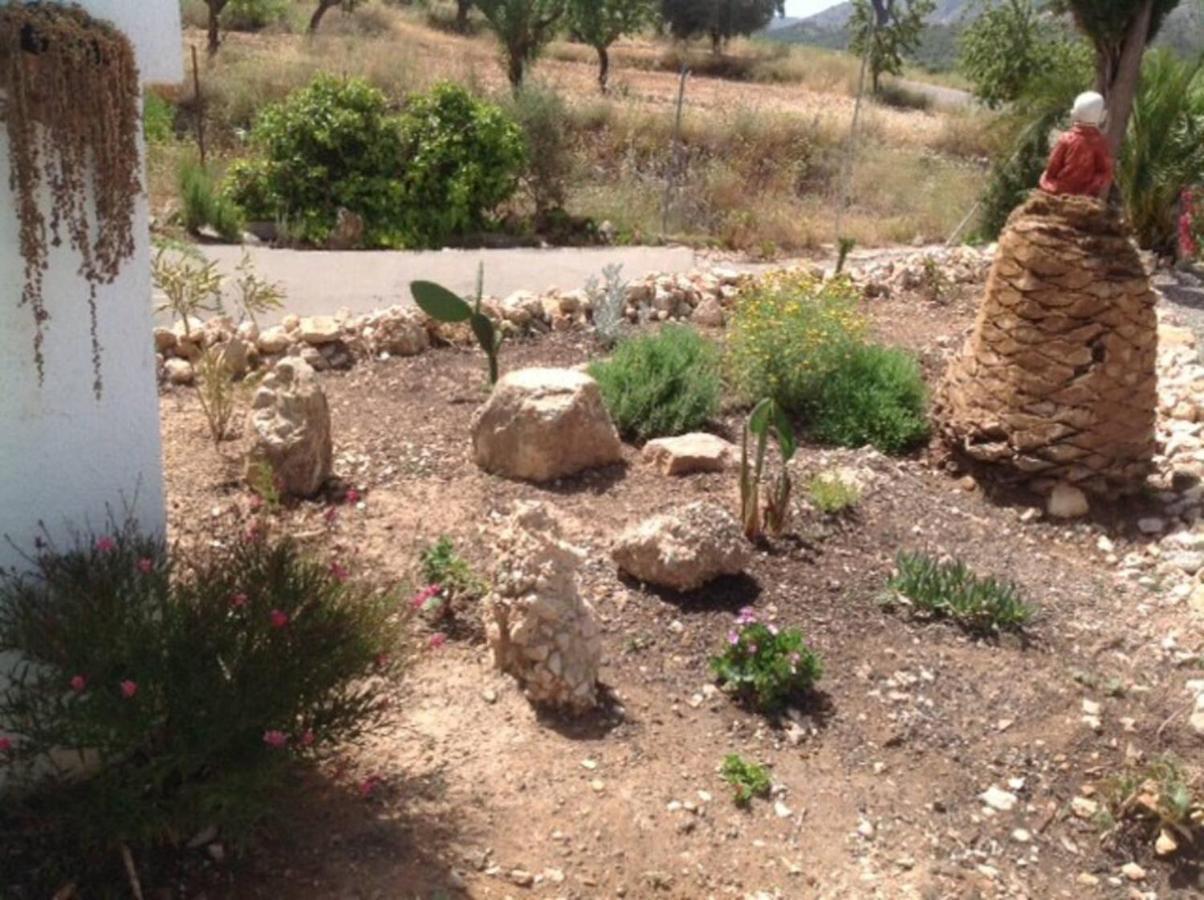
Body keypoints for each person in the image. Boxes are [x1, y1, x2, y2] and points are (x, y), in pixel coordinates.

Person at [1039, 92, 1114, 199]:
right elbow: (1105, 173)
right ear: (1103, 116)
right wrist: (1089, 188)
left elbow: (1052, 168)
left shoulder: (1066, 139)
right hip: (1085, 194)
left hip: (1059, 190)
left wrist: (1050, 183)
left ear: (1073, 113)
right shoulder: (1100, 143)